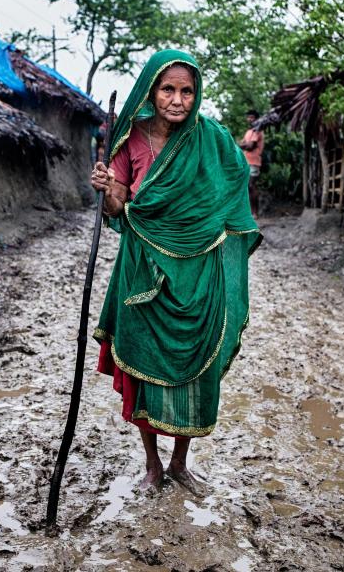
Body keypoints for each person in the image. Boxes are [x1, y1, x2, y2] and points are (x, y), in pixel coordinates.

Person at [89, 50, 261, 493]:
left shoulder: (214, 140)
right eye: (168, 89)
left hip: (200, 273)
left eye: (187, 91)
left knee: (196, 369)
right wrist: (109, 188)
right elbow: (120, 206)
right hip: (143, 272)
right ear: (152, 90)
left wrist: (213, 226)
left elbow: (235, 184)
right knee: (144, 367)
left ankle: (180, 463)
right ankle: (151, 465)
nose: (178, 99)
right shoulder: (130, 140)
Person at [239, 110, 264, 216]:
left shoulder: (257, 131)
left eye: (252, 117)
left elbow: (250, 146)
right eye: (248, 117)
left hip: (254, 161)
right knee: (246, 187)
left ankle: (255, 212)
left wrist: (241, 145)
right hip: (245, 161)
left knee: (251, 185)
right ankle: (249, 212)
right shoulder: (249, 132)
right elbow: (244, 143)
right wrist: (243, 145)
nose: (250, 119)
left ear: (257, 119)